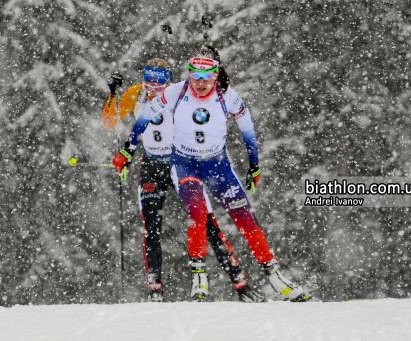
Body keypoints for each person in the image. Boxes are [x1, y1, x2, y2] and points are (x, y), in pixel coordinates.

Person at [112, 47, 310, 302]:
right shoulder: (176, 92)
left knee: (246, 220)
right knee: (198, 216)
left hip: (217, 165)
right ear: (189, 76)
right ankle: (198, 277)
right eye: (196, 77)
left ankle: (274, 276)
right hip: (184, 164)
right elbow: (145, 117)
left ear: (216, 76)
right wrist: (128, 150)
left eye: (207, 77)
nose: (201, 83)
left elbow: (247, 128)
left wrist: (254, 165)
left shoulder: (227, 96)